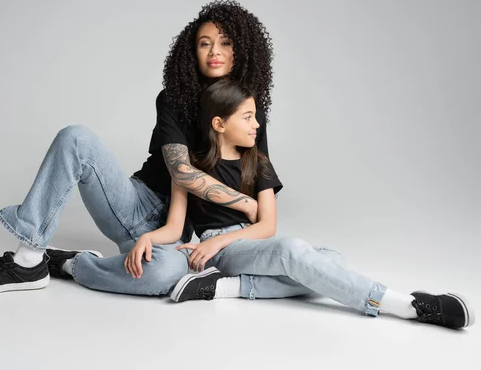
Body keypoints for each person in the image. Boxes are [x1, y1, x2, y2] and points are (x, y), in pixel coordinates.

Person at [0, 0, 275, 297]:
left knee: (164, 275)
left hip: (175, 228)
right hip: (136, 202)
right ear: (192, 52)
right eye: (204, 43)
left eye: (225, 43)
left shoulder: (249, 113)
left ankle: (70, 263)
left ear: (240, 51)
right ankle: (26, 260)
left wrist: (240, 228)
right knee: (76, 138)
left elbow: (257, 176)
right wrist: (242, 202)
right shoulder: (174, 99)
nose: (214, 51)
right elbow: (180, 171)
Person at [136, 78, 474, 330]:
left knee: (329, 261)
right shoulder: (190, 170)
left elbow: (267, 226)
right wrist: (148, 238)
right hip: (222, 250)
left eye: (257, 117)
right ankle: (406, 305)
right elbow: (174, 228)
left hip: (253, 241)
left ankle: (226, 288)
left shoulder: (259, 163)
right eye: (249, 117)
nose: (257, 125)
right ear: (219, 124)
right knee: (297, 254)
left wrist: (228, 241)